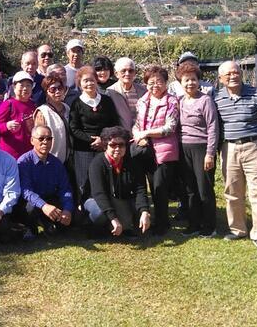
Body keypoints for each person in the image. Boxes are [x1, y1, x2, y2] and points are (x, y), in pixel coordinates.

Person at [215, 60, 257, 252]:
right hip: (230, 148)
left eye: (236, 73)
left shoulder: (256, 94)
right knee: (232, 192)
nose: (233, 77)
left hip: (254, 147)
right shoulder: (217, 98)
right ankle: (237, 229)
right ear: (220, 79)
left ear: (241, 74)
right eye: (228, 74)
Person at [132, 65, 180, 236]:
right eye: (151, 83)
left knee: (160, 187)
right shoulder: (142, 101)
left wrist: (147, 133)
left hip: (164, 150)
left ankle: (162, 223)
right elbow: (137, 124)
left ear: (166, 83)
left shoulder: (172, 101)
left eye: (159, 82)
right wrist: (139, 136)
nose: (155, 86)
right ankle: (152, 219)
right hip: (145, 149)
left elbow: (170, 127)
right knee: (150, 186)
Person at [84, 126, 151, 238]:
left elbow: (141, 189)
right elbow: (99, 193)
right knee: (100, 214)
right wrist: (114, 219)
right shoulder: (97, 163)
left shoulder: (132, 163)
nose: (117, 148)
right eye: (113, 145)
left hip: (119, 199)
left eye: (121, 145)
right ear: (105, 146)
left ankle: (119, 225)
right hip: (96, 200)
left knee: (130, 219)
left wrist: (144, 211)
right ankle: (95, 227)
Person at [177, 62, 219, 238]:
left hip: (202, 148)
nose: (190, 83)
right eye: (186, 80)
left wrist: (210, 153)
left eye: (193, 80)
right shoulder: (179, 101)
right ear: (180, 82)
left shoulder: (205, 100)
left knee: (204, 188)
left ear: (199, 81)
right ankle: (194, 223)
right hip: (184, 148)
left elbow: (213, 127)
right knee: (190, 189)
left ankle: (209, 226)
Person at [68, 66, 120, 205]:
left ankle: (107, 214)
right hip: (83, 149)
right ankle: (85, 214)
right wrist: (91, 140)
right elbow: (74, 128)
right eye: (85, 81)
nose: (89, 83)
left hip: (105, 147)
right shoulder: (76, 103)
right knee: (84, 182)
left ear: (96, 81)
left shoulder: (107, 101)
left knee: (105, 180)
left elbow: (114, 122)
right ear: (80, 84)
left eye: (92, 80)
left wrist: (103, 140)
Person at [16, 126, 74, 239]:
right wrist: (44, 206)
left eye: (48, 139)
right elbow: (26, 191)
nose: (45, 142)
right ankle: (31, 228)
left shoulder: (56, 163)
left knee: (72, 217)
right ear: (32, 140)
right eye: (41, 138)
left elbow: (65, 188)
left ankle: (47, 223)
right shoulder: (23, 162)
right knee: (30, 208)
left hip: (50, 199)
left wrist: (67, 209)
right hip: (31, 202)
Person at [0, 71, 37, 159]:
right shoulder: (8, 104)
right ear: (14, 87)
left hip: (29, 154)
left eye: (28, 85)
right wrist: (6, 126)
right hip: (11, 155)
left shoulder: (33, 105)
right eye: (21, 85)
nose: (25, 88)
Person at [33, 74, 70, 164]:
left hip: (68, 161)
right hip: (49, 161)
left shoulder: (67, 108)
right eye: (53, 89)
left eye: (60, 88)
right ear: (46, 92)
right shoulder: (42, 112)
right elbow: (39, 140)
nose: (57, 92)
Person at [106, 57, 146, 130]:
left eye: (130, 71)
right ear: (116, 74)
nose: (127, 74)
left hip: (142, 133)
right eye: (123, 71)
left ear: (134, 73)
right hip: (121, 135)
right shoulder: (111, 92)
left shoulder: (143, 91)